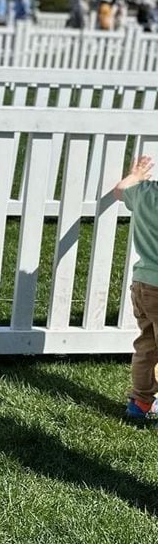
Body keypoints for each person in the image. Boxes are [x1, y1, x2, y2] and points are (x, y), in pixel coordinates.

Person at [115, 154, 158, 426]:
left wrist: (136, 175)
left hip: (144, 284)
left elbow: (120, 190)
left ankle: (140, 402)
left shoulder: (145, 193)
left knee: (147, 345)